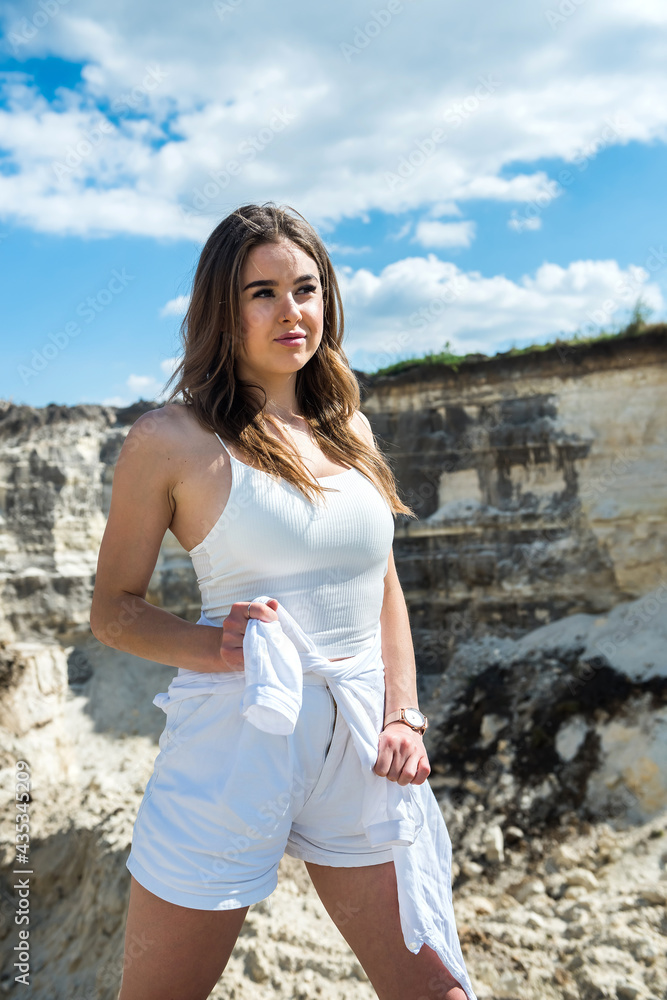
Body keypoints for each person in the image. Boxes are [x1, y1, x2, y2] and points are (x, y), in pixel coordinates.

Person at [90, 202, 476, 1000]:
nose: (290, 311)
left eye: (305, 288)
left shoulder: (350, 430)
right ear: (221, 311)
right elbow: (113, 610)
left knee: (437, 990)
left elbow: (382, 587)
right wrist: (213, 645)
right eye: (261, 292)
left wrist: (402, 712)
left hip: (363, 740)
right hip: (236, 740)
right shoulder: (171, 439)